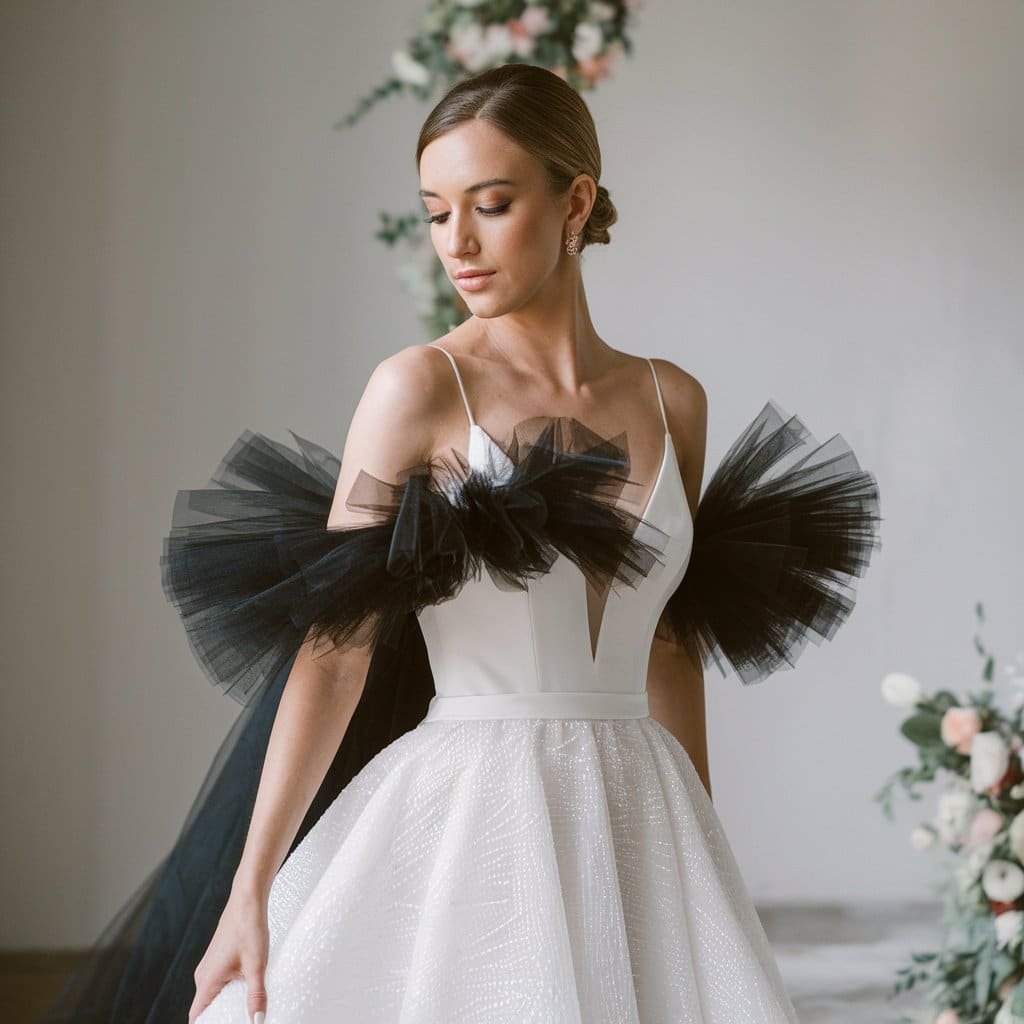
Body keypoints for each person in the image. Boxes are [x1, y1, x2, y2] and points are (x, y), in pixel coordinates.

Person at [43, 63, 880, 1024]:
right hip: (475, 816)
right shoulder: (418, 390)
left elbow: (671, 646)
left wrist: (703, 855)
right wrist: (251, 890)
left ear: (575, 201)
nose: (458, 243)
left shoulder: (670, 400)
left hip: (644, 819)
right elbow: (333, 652)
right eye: (437, 213)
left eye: (489, 204)